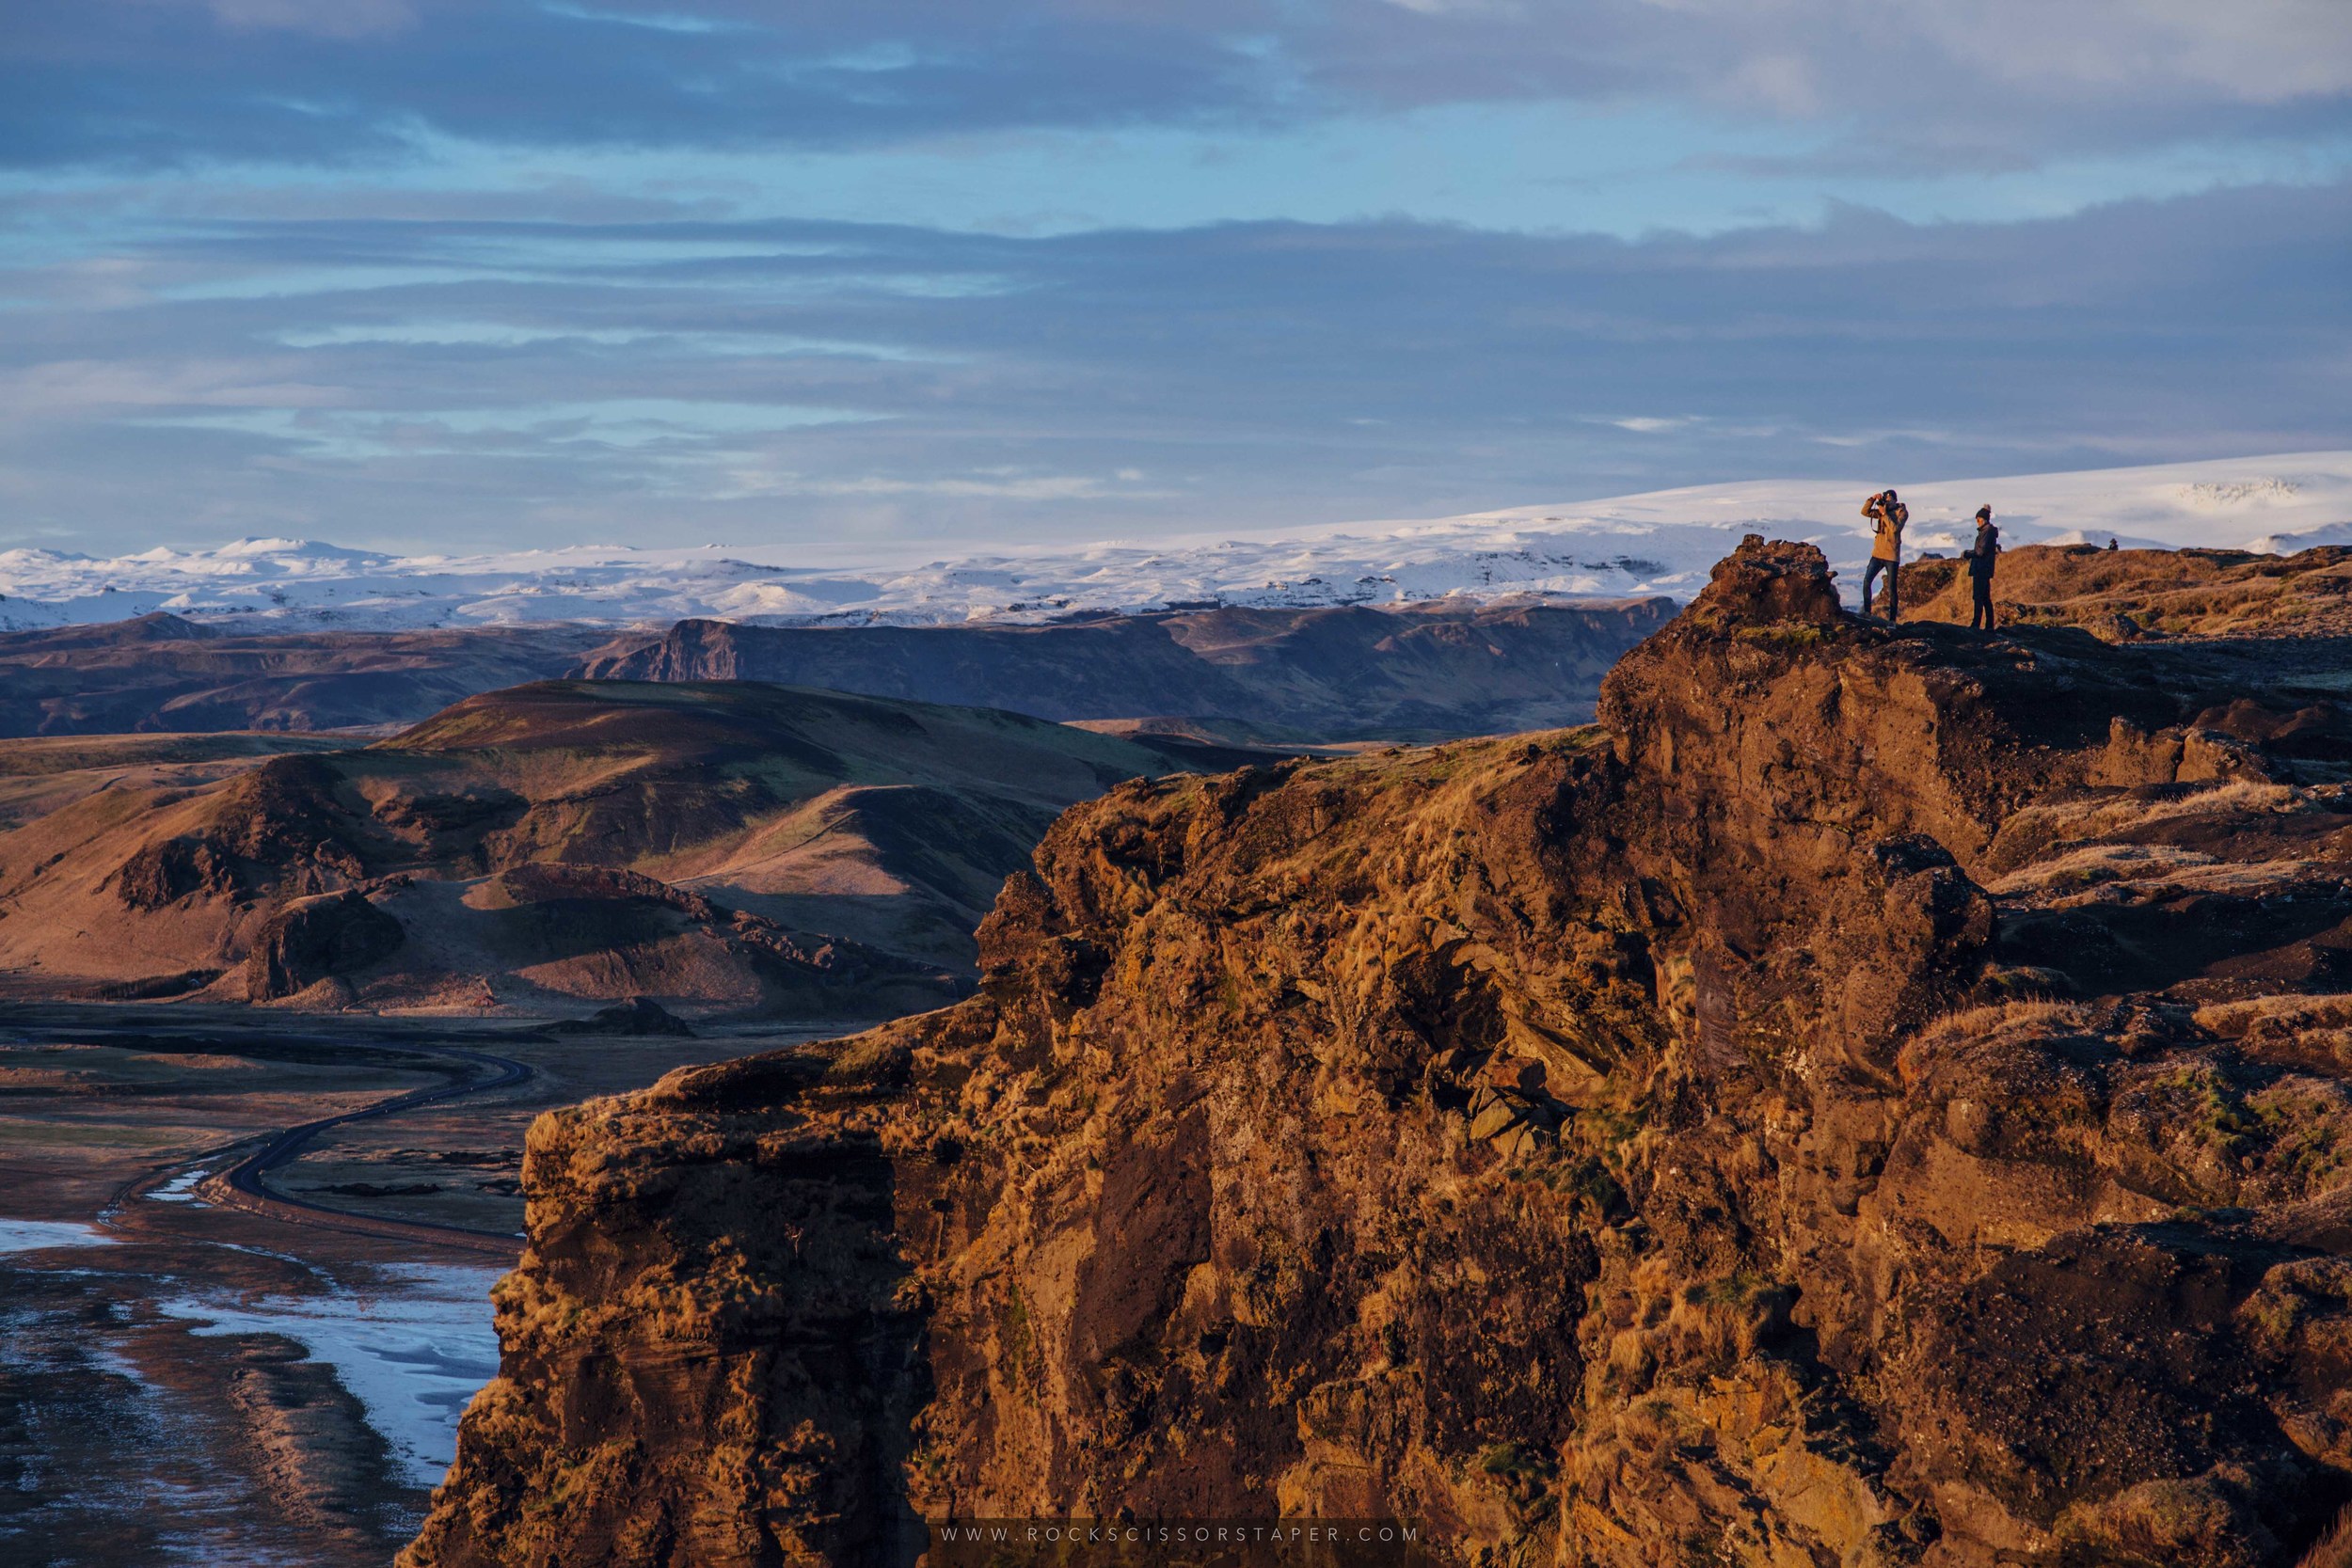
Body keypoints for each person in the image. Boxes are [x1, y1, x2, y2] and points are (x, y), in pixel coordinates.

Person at [1860, 488, 1908, 619]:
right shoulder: (1881, 511)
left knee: (1892, 588)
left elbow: (1895, 529)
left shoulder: (1901, 512)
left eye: (1889, 499)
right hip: (1877, 553)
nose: (1887, 501)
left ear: (1895, 499)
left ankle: (1892, 619)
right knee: (1866, 581)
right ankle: (1867, 613)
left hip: (1891, 555)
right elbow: (1864, 512)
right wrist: (1872, 500)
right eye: (1885, 499)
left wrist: (1884, 514)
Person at [1964, 505, 2000, 629]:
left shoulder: (1986, 532)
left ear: (1983, 519)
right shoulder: (1988, 532)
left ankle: (1976, 624)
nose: (1977, 522)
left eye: (1978, 519)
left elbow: (1980, 552)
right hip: (1985, 569)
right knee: (1985, 598)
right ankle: (1989, 625)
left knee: (1979, 597)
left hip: (1981, 569)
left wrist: (1967, 554)